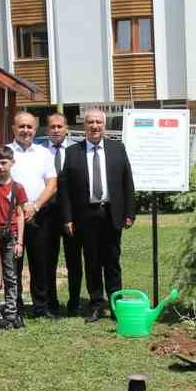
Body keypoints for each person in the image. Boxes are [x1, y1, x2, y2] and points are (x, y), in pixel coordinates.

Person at [60, 106, 137, 321]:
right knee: (92, 261)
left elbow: (127, 182)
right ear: (84, 126)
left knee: (112, 261)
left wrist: (129, 212)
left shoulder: (117, 149)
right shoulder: (72, 152)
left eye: (98, 122)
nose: (94, 126)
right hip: (86, 215)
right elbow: (64, 189)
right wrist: (67, 218)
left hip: (111, 212)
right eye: (90, 122)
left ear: (104, 125)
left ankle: (116, 305)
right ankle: (95, 304)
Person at [6, 111, 60, 317]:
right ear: (13, 129)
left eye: (29, 127)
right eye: (21, 126)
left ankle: (41, 306)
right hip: (12, 217)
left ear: (35, 130)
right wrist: (20, 209)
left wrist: (35, 205)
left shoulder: (43, 153)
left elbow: (52, 184)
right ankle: (15, 305)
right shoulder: (4, 152)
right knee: (14, 264)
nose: (25, 130)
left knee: (41, 262)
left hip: (39, 214)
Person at [38, 113, 86, 317]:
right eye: (52, 127)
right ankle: (51, 301)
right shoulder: (39, 151)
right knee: (48, 259)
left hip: (72, 213)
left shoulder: (78, 149)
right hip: (48, 212)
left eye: (60, 126)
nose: (56, 130)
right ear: (46, 129)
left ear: (66, 128)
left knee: (74, 259)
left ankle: (75, 302)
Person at [0, 147, 28, 328]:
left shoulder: (18, 188)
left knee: (11, 276)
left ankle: (11, 311)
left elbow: (20, 214)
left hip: (11, 236)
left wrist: (20, 241)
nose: (1, 167)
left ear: (12, 163)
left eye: (4, 163)